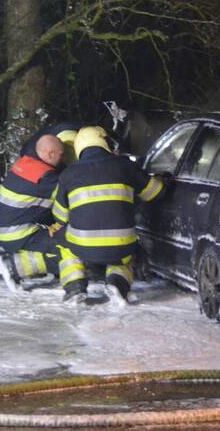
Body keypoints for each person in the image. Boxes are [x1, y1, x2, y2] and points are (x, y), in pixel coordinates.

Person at [51, 126, 165, 305]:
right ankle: (117, 284)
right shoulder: (126, 166)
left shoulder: (68, 174)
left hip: (82, 246)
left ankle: (74, 286)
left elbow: (59, 215)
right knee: (125, 257)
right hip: (121, 245)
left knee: (65, 246)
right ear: (105, 143)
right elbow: (155, 193)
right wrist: (161, 179)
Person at [0, 134, 67, 291]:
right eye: (62, 154)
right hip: (19, 235)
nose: (64, 159)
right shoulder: (46, 177)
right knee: (72, 249)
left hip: (7, 230)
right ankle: (14, 266)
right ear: (50, 154)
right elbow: (70, 198)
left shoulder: (26, 163)